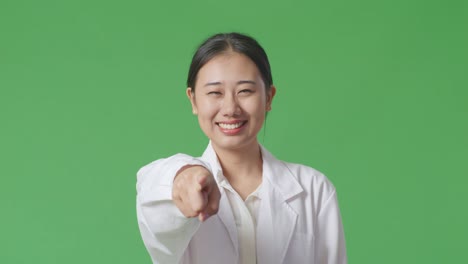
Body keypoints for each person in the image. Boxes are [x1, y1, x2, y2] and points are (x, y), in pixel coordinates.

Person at [136, 32, 347, 264]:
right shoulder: (179, 182)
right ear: (193, 100)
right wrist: (184, 175)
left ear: (269, 97)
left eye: (245, 91)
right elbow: (152, 190)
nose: (230, 108)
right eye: (215, 93)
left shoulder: (314, 190)